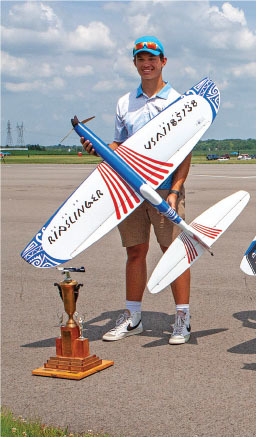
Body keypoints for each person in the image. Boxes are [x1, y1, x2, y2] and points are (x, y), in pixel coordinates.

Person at [81, 36, 192, 345]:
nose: (147, 63)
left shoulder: (178, 101)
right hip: (129, 191)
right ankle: (133, 316)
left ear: (163, 61)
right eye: (141, 58)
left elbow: (185, 151)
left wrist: (176, 189)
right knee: (135, 252)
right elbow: (119, 144)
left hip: (165, 190)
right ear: (135, 63)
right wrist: (99, 148)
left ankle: (182, 317)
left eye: (153, 57)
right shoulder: (124, 102)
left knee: (174, 253)